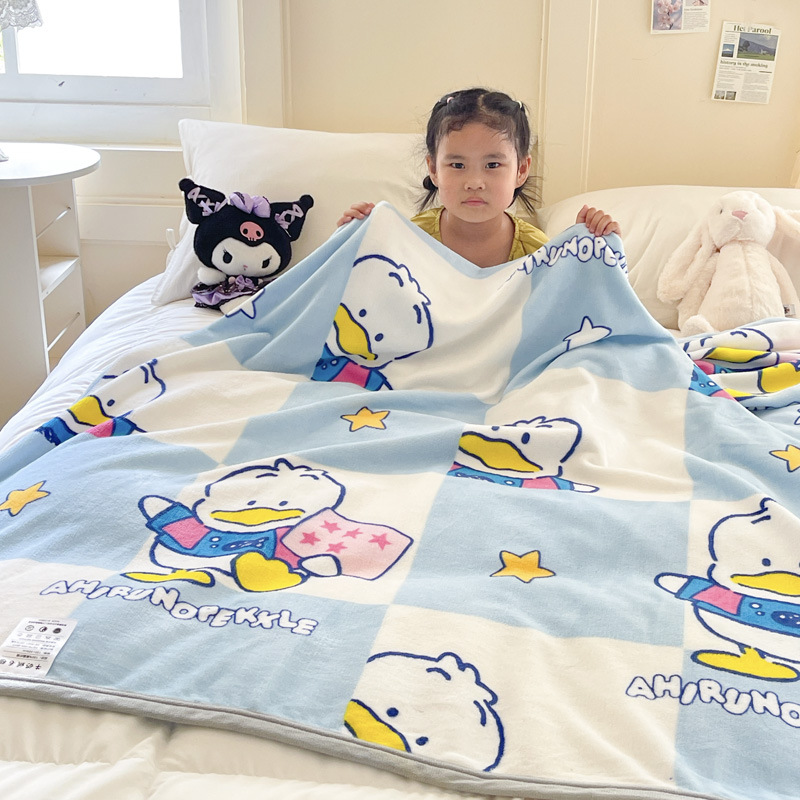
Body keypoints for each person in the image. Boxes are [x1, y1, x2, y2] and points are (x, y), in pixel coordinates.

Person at [337, 88, 621, 269]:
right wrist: (353, 243)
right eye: (458, 165)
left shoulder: (538, 253)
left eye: (492, 164)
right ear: (433, 169)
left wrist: (587, 254)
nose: (474, 182)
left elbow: (564, 312)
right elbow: (370, 295)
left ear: (521, 170)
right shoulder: (410, 240)